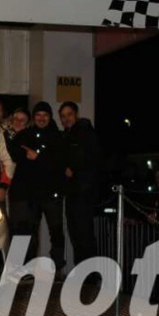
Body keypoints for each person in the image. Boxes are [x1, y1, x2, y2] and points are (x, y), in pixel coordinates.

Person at [7, 101, 66, 270]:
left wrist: (38, 157)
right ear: (34, 117)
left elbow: (60, 163)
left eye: (45, 115)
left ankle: (58, 269)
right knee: (29, 233)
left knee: (56, 232)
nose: (41, 118)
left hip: (52, 194)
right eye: (38, 115)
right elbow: (15, 154)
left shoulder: (58, 137)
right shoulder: (25, 134)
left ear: (50, 117)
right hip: (31, 195)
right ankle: (27, 269)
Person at [59, 101, 101, 266]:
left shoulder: (85, 133)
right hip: (72, 192)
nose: (66, 119)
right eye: (63, 116)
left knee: (84, 237)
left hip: (83, 192)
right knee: (76, 236)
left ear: (76, 114)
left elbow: (93, 160)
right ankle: (82, 274)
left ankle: (89, 275)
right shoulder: (67, 135)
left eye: (69, 114)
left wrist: (74, 171)